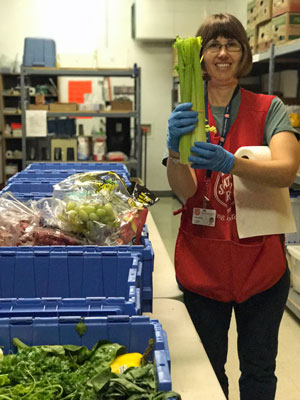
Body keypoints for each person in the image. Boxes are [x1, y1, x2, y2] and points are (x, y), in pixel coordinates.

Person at [166, 13, 300, 400]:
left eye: (232, 45)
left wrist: (231, 163)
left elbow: (286, 171)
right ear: (201, 56)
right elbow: (185, 191)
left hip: (261, 267)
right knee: (209, 369)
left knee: (259, 370)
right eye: (213, 45)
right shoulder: (187, 112)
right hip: (202, 265)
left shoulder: (268, 108)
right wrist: (175, 153)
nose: (222, 53)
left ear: (243, 54)